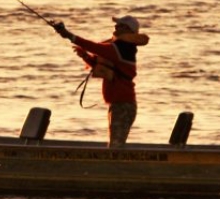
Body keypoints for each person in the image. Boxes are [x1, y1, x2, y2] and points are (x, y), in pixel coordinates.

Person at [52, 15, 149, 148]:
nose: (115, 27)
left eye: (119, 25)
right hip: (119, 104)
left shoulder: (122, 48)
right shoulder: (119, 48)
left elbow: (95, 47)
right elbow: (104, 65)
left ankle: (115, 168)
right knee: (115, 144)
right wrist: (85, 56)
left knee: (116, 146)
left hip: (123, 106)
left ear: (127, 29)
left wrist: (68, 35)